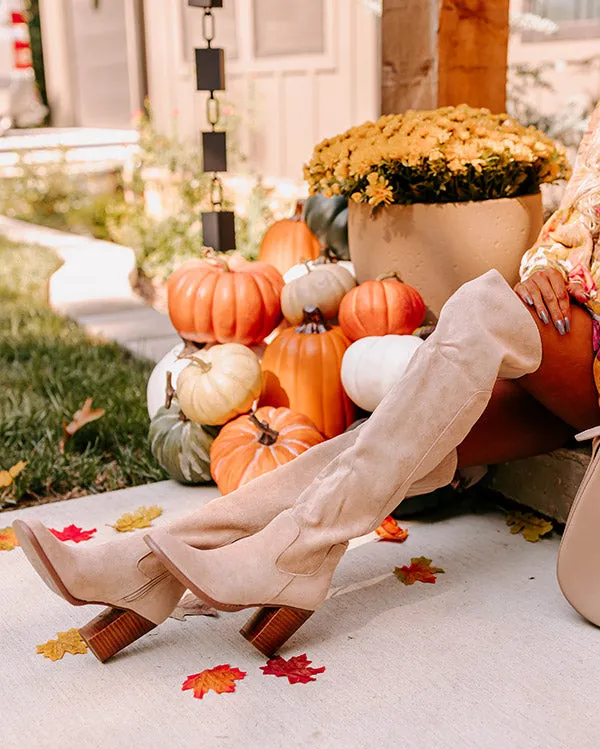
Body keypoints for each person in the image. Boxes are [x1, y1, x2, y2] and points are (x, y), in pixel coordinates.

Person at [14, 104, 600, 664]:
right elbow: (574, 220)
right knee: (385, 440)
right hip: (569, 341)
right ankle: (146, 566)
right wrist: (546, 264)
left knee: (481, 306)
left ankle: (294, 551)